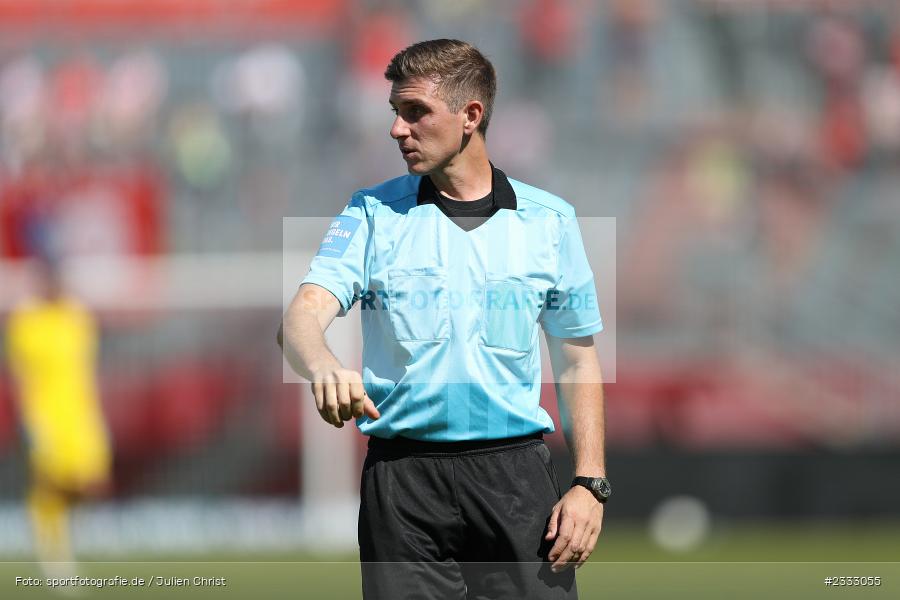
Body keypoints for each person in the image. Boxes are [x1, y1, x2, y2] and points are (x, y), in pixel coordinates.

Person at [279, 39, 608, 600]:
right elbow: (301, 319)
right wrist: (324, 366)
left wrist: (589, 484)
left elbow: (577, 358)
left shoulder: (550, 222)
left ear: (470, 116)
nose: (397, 129)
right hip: (403, 487)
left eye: (415, 112)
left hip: (515, 483)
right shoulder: (371, 213)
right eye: (395, 113)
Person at [5, 258, 112, 574]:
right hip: (46, 417)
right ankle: (54, 557)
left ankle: (71, 537)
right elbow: (22, 376)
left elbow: (86, 369)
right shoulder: (26, 322)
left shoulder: (76, 317)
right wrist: (31, 420)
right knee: (50, 485)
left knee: (90, 482)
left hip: (81, 414)